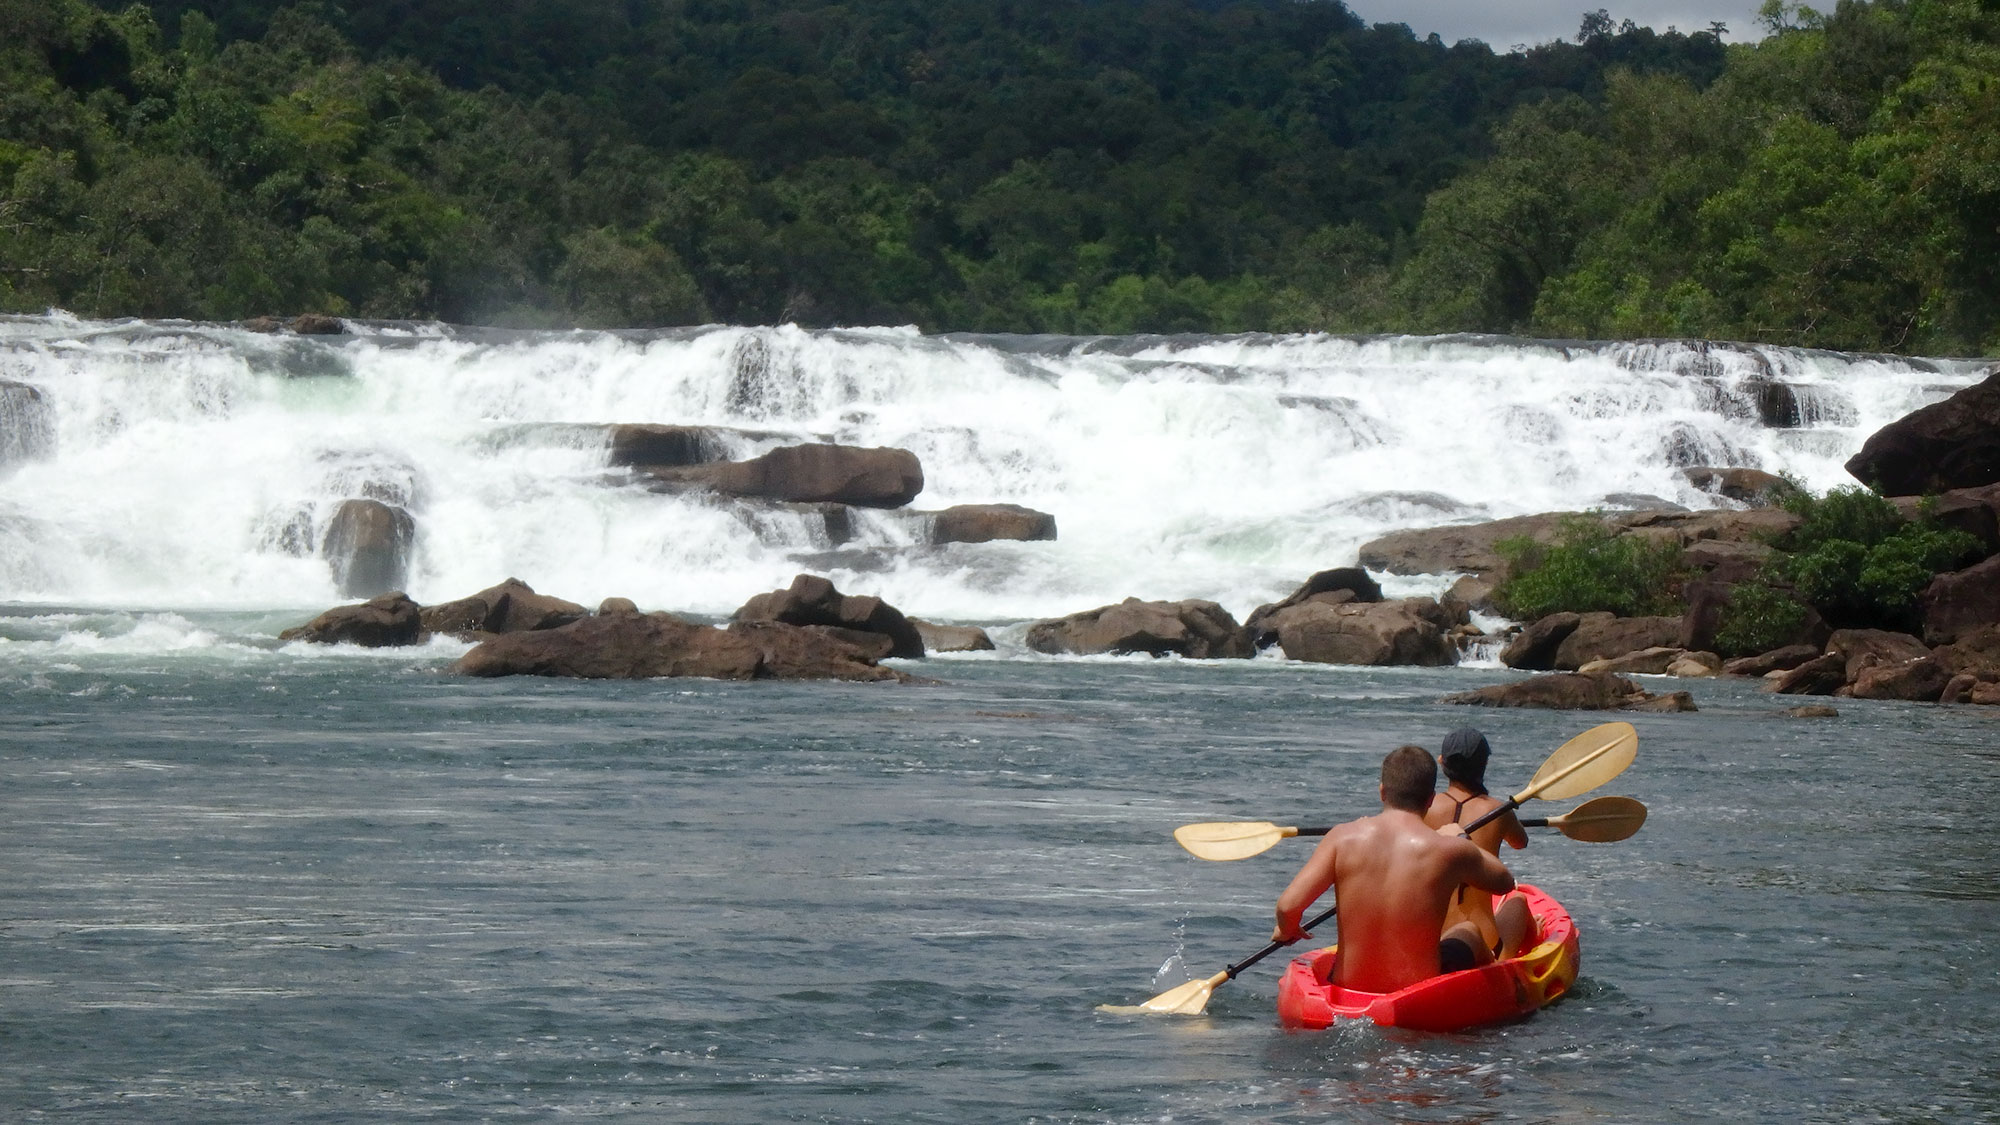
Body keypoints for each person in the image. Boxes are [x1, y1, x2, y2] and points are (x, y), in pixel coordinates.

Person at [1271, 745, 1515, 993]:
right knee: (1468, 930)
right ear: (1430, 799)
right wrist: (1462, 838)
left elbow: (1288, 906)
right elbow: (1504, 882)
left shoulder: (1341, 837)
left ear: (1382, 792)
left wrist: (1287, 928)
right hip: (1416, 993)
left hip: (1349, 987)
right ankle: (1497, 982)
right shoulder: (1449, 849)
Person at [1424, 727, 1533, 962]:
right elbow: (1520, 842)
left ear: (1442, 762)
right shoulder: (1497, 810)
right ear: (1483, 765)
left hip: (1431, 943)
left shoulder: (1424, 807)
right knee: (1518, 900)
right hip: (1484, 945)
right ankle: (1507, 962)